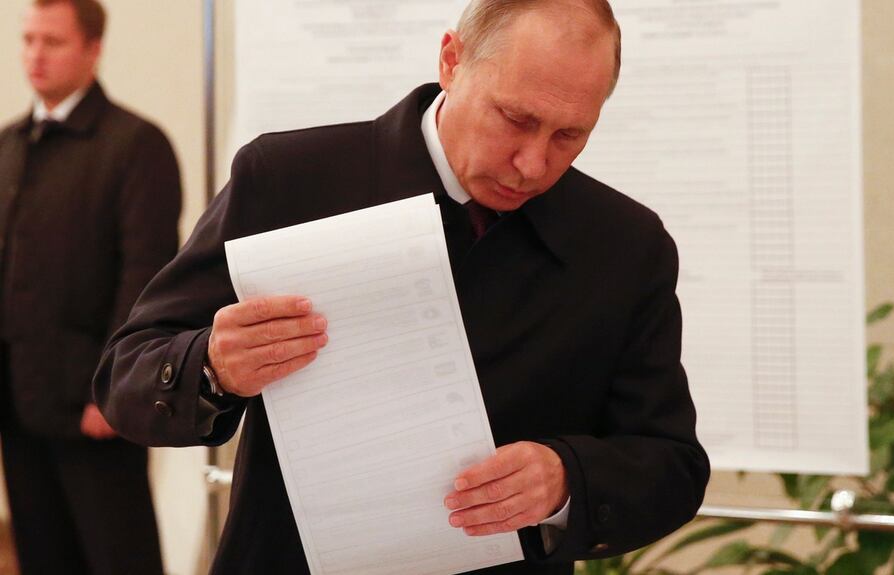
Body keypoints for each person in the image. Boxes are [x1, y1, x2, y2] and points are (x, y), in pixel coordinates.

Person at [95, 0, 709, 573]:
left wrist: (567, 478)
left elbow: (672, 464)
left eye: (569, 135)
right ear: (451, 61)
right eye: (515, 119)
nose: (533, 163)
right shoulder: (287, 179)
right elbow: (127, 378)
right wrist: (212, 365)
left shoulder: (627, 246)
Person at [0, 0, 180, 573]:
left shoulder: (135, 144)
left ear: (93, 50)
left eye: (52, 42)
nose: (34, 55)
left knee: (116, 559)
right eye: (28, 40)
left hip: (93, 406)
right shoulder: (8, 145)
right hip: (18, 400)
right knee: (42, 556)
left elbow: (146, 279)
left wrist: (110, 391)